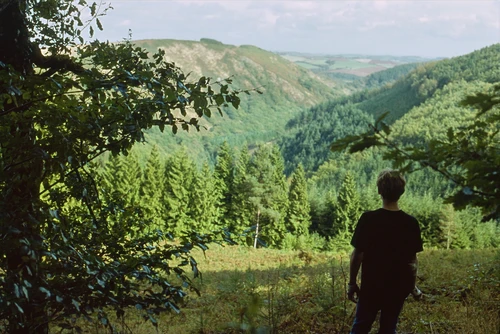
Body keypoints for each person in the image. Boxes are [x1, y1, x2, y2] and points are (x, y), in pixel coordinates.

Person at [347, 169, 423, 334]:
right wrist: (412, 287)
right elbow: (412, 262)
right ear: (401, 192)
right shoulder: (411, 223)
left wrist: (352, 283)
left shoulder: (368, 219)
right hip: (397, 287)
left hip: (371, 286)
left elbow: (357, 255)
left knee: (360, 327)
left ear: (379, 191)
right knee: (389, 328)